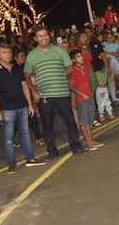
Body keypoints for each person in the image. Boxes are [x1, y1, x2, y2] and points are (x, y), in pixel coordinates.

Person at [24, 26, 84, 158]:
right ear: (35, 38)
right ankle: (52, 150)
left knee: (70, 121)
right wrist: (34, 92)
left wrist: (61, 74)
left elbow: (69, 67)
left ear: (49, 36)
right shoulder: (32, 56)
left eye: (45, 35)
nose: (43, 38)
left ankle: (76, 146)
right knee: (47, 124)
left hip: (62, 93)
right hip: (45, 95)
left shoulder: (59, 51)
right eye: (40, 36)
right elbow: (27, 75)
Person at [0, 43, 45, 173]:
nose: (7, 54)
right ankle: (11, 163)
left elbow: (24, 86)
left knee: (25, 133)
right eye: (4, 52)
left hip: (21, 105)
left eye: (9, 52)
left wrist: (30, 104)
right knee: (8, 137)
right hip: (7, 108)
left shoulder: (17, 68)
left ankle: (30, 158)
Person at [68, 50, 102, 151]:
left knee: (89, 121)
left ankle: (91, 140)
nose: (81, 58)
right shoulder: (73, 71)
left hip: (88, 96)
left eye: (81, 56)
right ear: (73, 60)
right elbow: (71, 86)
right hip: (81, 99)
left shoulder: (85, 68)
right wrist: (81, 94)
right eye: (78, 57)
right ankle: (88, 143)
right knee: (84, 121)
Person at [92, 56, 113, 122]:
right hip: (102, 89)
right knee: (105, 101)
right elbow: (101, 82)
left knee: (102, 102)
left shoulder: (97, 73)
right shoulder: (99, 73)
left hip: (101, 89)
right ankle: (108, 114)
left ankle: (104, 115)